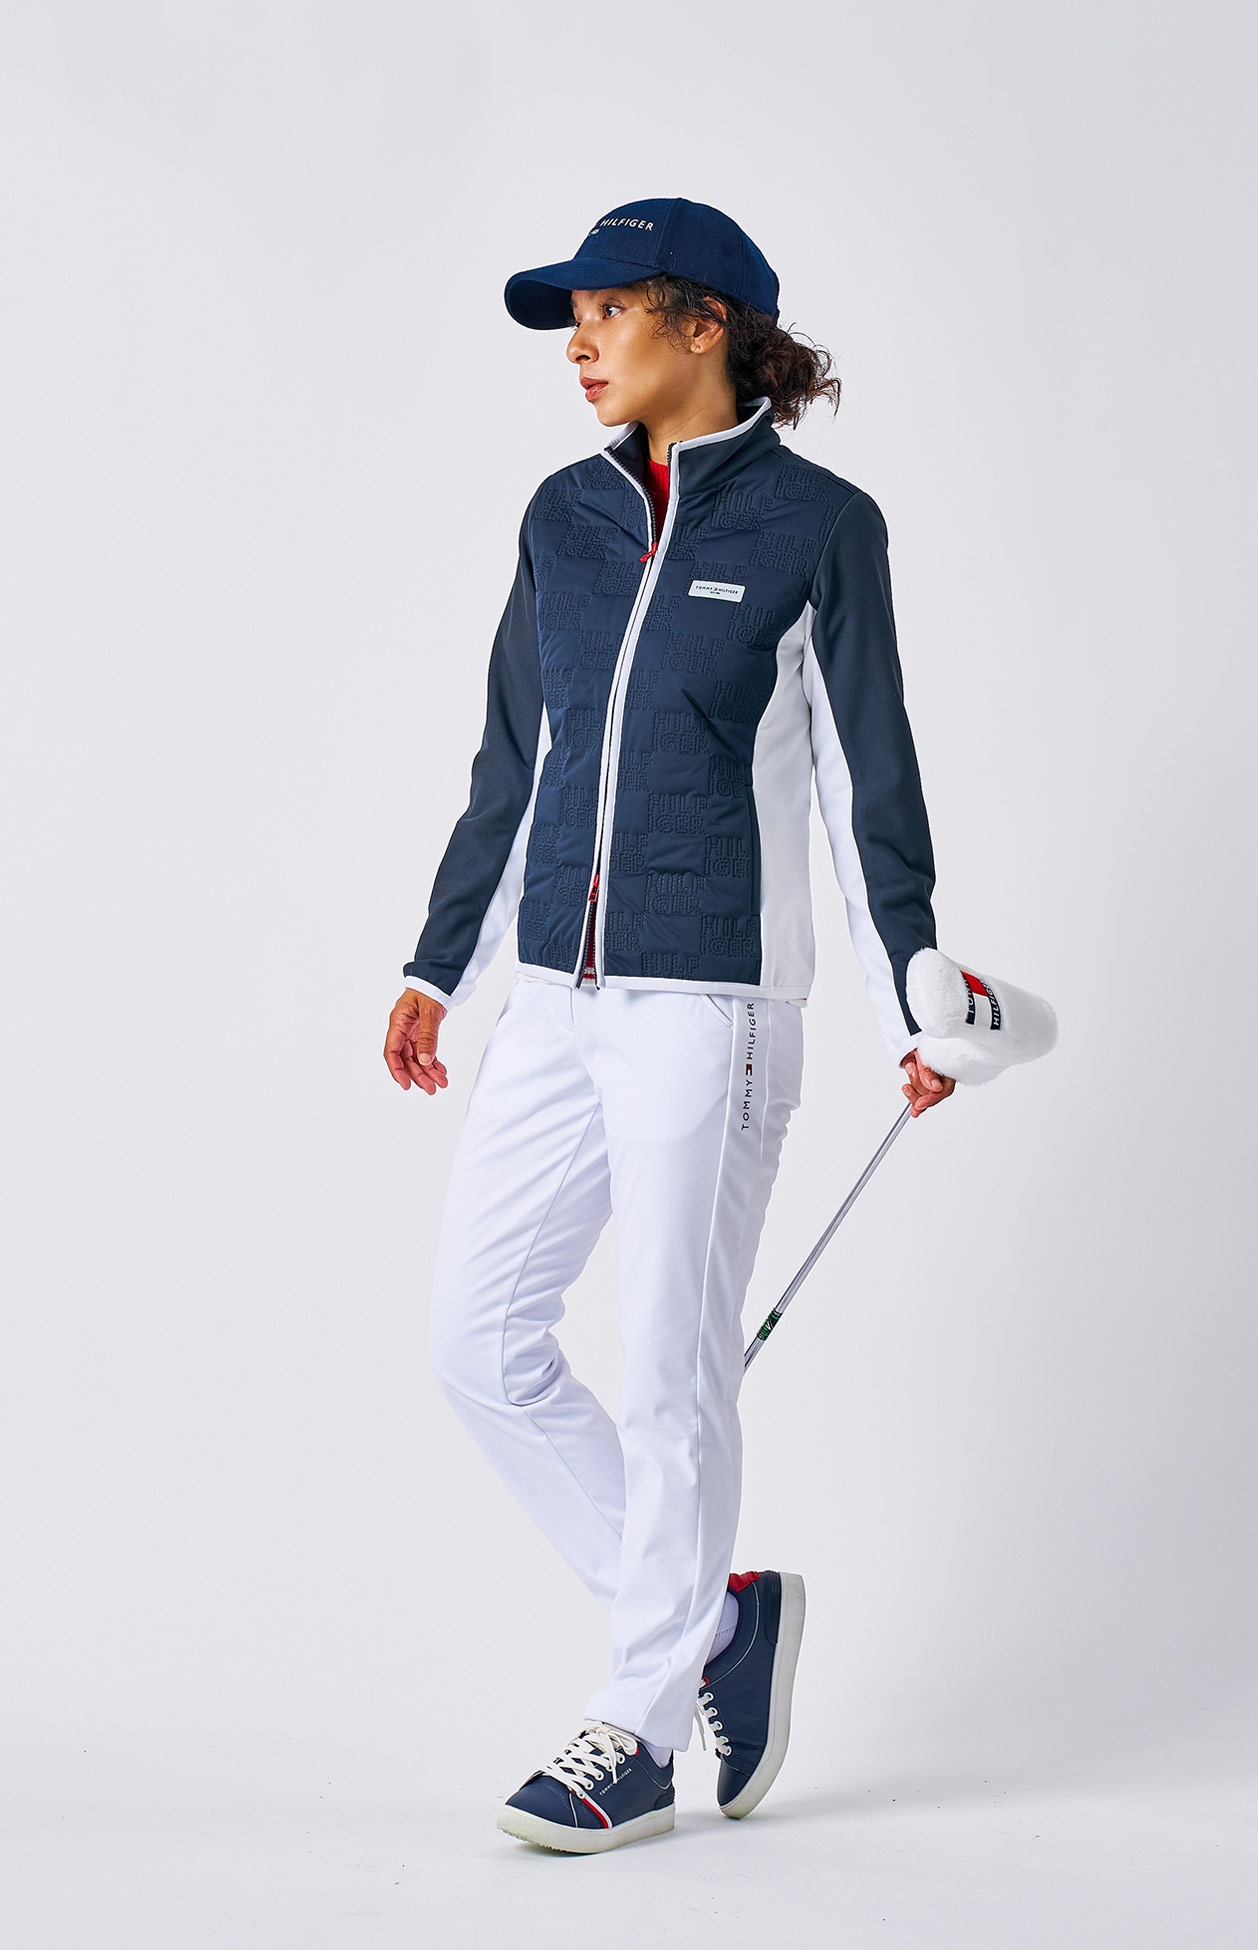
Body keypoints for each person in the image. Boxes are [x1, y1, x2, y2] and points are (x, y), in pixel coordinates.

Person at [384, 198, 955, 1854]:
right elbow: (520, 756)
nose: (579, 345)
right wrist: (441, 967)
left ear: (705, 325)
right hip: (557, 998)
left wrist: (912, 988)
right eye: (572, 319)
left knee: (670, 1377)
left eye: (608, 312)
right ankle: (719, 1619)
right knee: (480, 1341)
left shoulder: (818, 528)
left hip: (714, 1000)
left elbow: (864, 782)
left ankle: (633, 1729)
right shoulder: (562, 517)